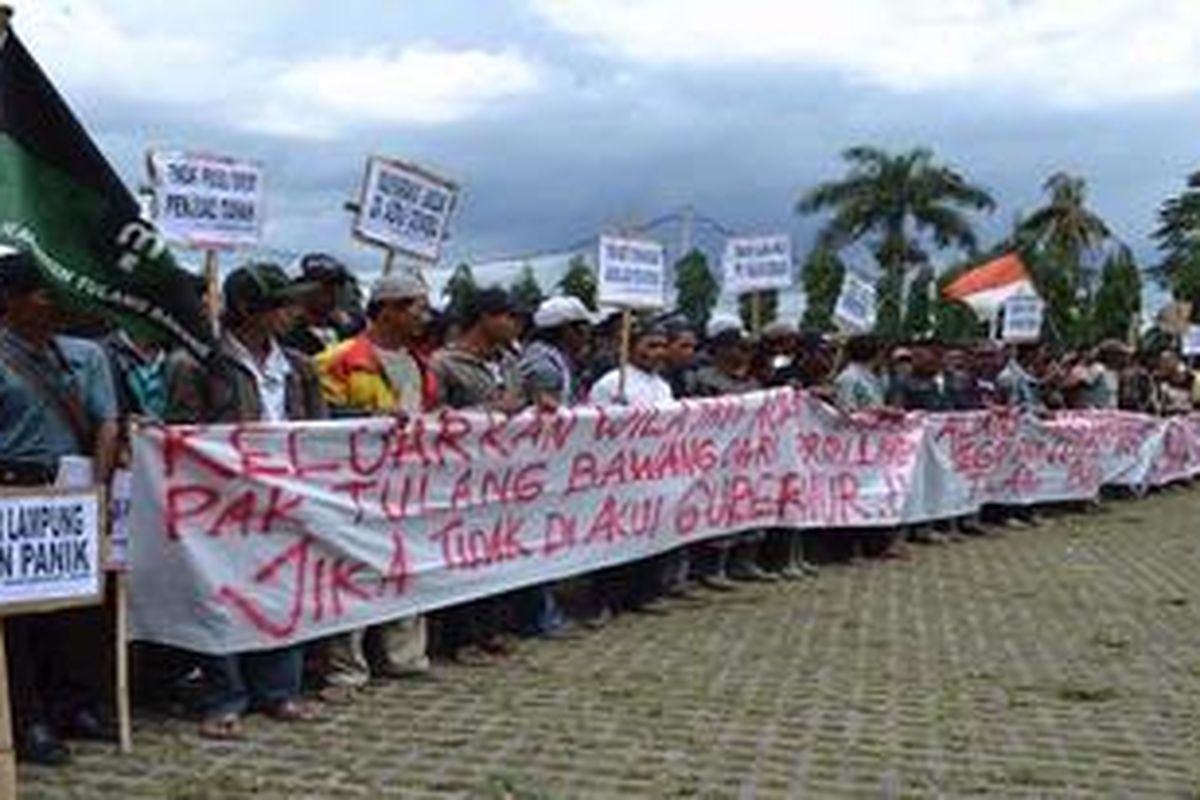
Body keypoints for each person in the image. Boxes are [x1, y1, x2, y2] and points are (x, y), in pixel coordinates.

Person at [164, 262, 326, 739]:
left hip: (287, 496)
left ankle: (279, 689)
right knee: (222, 596)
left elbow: (321, 433)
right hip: (220, 504)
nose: (293, 312)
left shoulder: (299, 367)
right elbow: (181, 436)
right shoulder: (194, 362)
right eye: (282, 303)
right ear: (247, 309)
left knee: (284, 592)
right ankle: (225, 695)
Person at [0, 251, 120, 764]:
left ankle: (76, 704)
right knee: (18, 620)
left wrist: (97, 487)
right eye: (44, 293)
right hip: (12, 490)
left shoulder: (85, 356)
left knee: (77, 609)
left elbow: (107, 423)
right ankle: (28, 720)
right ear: (11, 301)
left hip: (74, 490)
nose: (56, 304)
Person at [313, 269, 437, 701]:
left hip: (407, 485)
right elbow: (315, 423)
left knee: (407, 566)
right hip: (352, 488)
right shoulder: (338, 359)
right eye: (417, 306)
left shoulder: (421, 363)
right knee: (352, 573)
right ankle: (346, 667)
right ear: (388, 309)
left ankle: (404, 656)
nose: (426, 316)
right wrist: (369, 424)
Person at [429, 286, 522, 663]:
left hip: (503, 476)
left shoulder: (510, 363)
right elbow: (434, 418)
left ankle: (489, 628)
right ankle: (459, 638)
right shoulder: (444, 364)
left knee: (495, 554)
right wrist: (491, 410)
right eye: (508, 315)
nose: (516, 324)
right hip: (458, 481)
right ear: (484, 318)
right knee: (460, 556)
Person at [511, 296, 595, 633]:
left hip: (547, 467)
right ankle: (538, 615)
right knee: (535, 540)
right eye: (581, 328)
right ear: (565, 331)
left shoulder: (555, 359)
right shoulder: (545, 365)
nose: (586, 335)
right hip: (537, 468)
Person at [588, 317, 680, 613]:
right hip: (618, 475)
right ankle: (604, 601)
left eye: (663, 346)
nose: (659, 352)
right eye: (651, 345)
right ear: (631, 347)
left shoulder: (663, 386)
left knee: (650, 536)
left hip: (653, 472)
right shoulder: (611, 383)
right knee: (613, 540)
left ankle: (643, 595)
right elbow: (591, 430)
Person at [689, 314, 778, 585]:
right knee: (716, 512)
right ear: (720, 349)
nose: (745, 354)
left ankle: (744, 562)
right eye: (740, 348)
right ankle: (711, 568)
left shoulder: (753, 383)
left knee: (751, 510)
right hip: (715, 460)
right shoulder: (703, 379)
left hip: (750, 459)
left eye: (748, 349)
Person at [281, 253, 362, 355]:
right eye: (322, 287)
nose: (331, 294)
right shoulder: (285, 336)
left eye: (335, 287)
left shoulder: (350, 331)